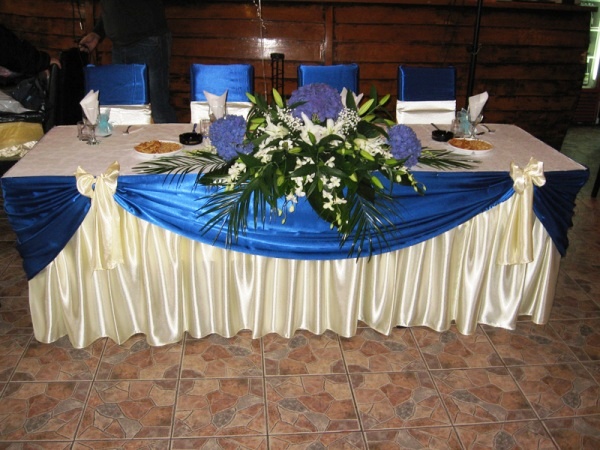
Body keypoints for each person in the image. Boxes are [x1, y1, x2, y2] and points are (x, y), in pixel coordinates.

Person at [79, 0, 177, 123]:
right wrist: (98, 32)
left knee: (157, 110)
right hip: (120, 45)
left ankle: (170, 136)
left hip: (148, 40)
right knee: (123, 111)